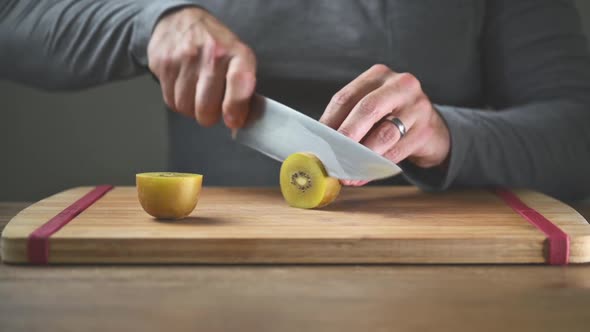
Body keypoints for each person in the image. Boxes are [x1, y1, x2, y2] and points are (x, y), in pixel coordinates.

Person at [1, 0, 590, 200]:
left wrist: (452, 135)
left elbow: (577, 132)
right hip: (209, 275)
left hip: (454, 274)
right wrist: (149, 22)